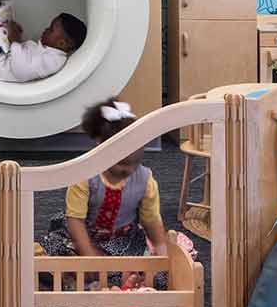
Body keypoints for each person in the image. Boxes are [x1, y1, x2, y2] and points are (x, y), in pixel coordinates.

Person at [42, 99, 182, 289]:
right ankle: (88, 279)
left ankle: (115, 281)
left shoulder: (145, 180)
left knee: (154, 274)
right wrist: (88, 254)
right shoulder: (84, 176)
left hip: (122, 240)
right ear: (101, 150)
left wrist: (160, 248)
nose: (128, 169)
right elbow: (75, 220)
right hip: (84, 235)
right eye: (121, 164)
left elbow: (151, 220)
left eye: (134, 163)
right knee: (58, 256)